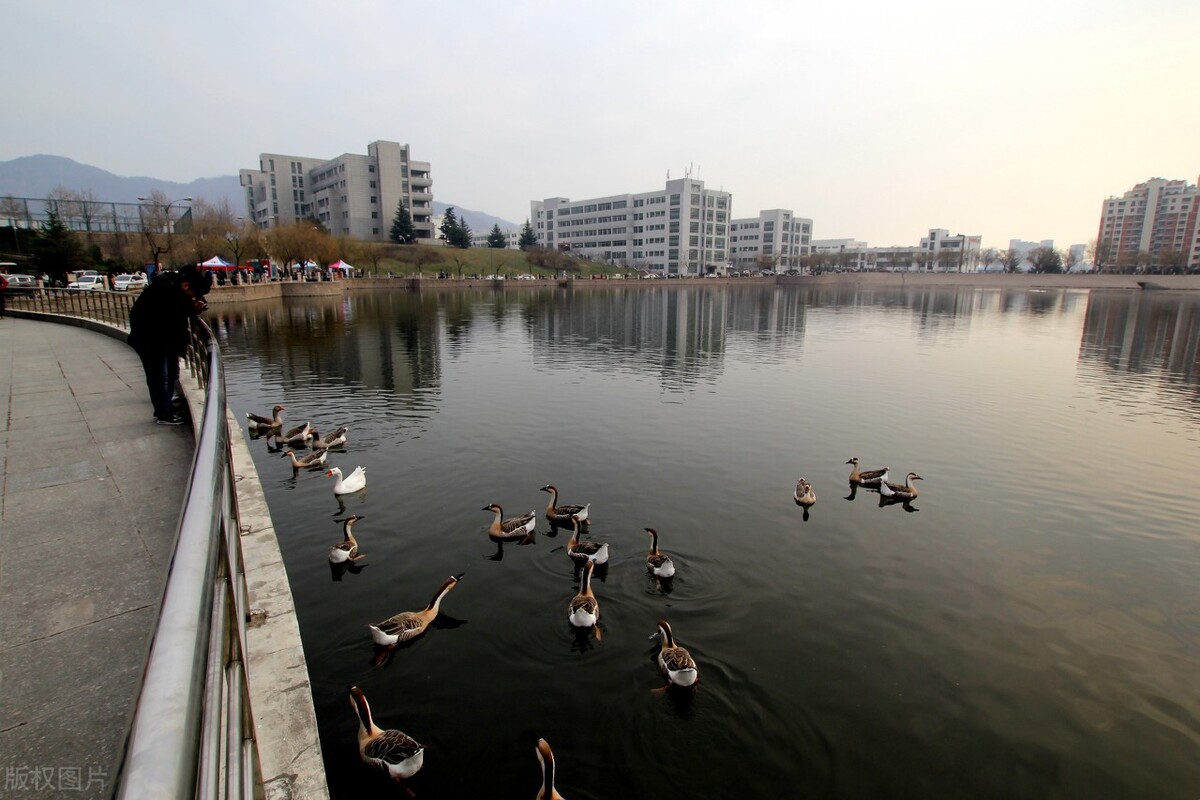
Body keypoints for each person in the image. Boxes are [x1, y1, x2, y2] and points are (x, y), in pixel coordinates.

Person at [127, 265, 212, 425]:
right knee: (159, 376)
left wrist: (194, 307)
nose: (194, 298)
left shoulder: (175, 289)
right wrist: (192, 307)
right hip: (149, 339)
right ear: (186, 285)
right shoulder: (166, 290)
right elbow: (172, 313)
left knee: (171, 372)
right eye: (194, 295)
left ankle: (166, 408)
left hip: (164, 339)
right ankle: (163, 414)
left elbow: (179, 312)